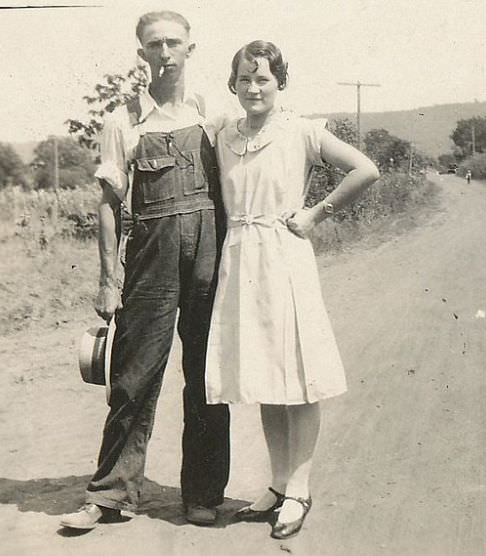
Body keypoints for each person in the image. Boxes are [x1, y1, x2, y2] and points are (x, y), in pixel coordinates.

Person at [60, 11, 230, 530]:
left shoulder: (214, 114)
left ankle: (201, 494)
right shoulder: (123, 120)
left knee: (206, 376)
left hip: (208, 253)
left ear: (190, 49)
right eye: (154, 44)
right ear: (142, 53)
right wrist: (108, 280)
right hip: (151, 260)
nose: (164, 53)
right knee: (132, 377)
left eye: (173, 43)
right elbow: (109, 205)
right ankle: (111, 494)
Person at [204, 40, 379, 539]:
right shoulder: (224, 133)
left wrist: (316, 213)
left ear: (281, 83)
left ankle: (300, 487)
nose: (253, 87)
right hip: (239, 259)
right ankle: (277, 485)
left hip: (283, 254)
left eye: (263, 78)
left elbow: (366, 169)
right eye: (244, 79)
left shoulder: (302, 131)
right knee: (264, 375)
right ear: (232, 85)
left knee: (297, 376)